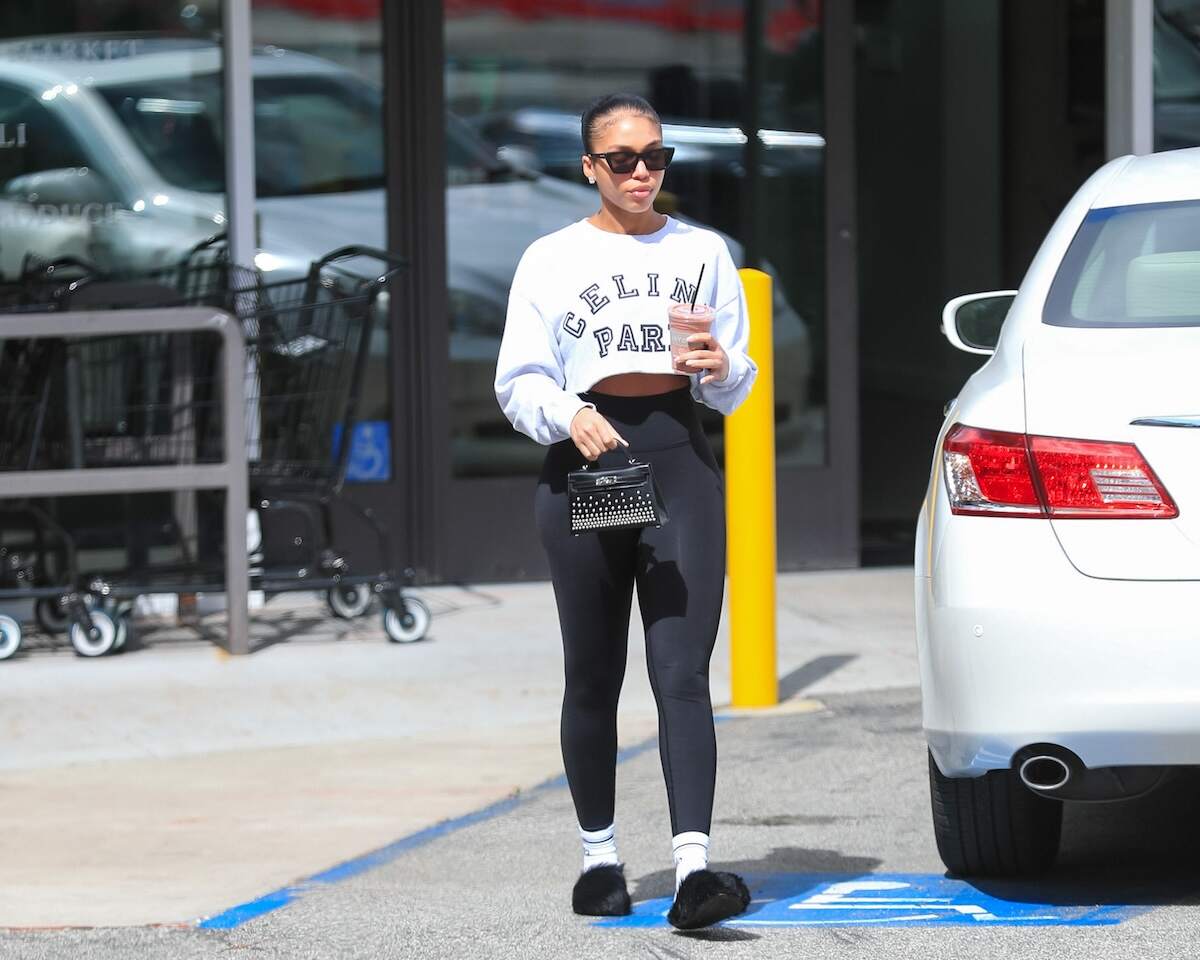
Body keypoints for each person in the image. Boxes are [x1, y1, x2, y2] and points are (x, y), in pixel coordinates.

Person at [493, 93, 757, 930]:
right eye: (622, 159)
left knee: (681, 670)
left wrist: (720, 367)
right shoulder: (550, 259)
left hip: (678, 459)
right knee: (594, 671)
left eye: (655, 157)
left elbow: (735, 383)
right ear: (590, 168)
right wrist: (566, 413)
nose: (642, 172)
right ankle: (599, 859)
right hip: (587, 462)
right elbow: (518, 378)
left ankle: (693, 870)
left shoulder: (704, 252)